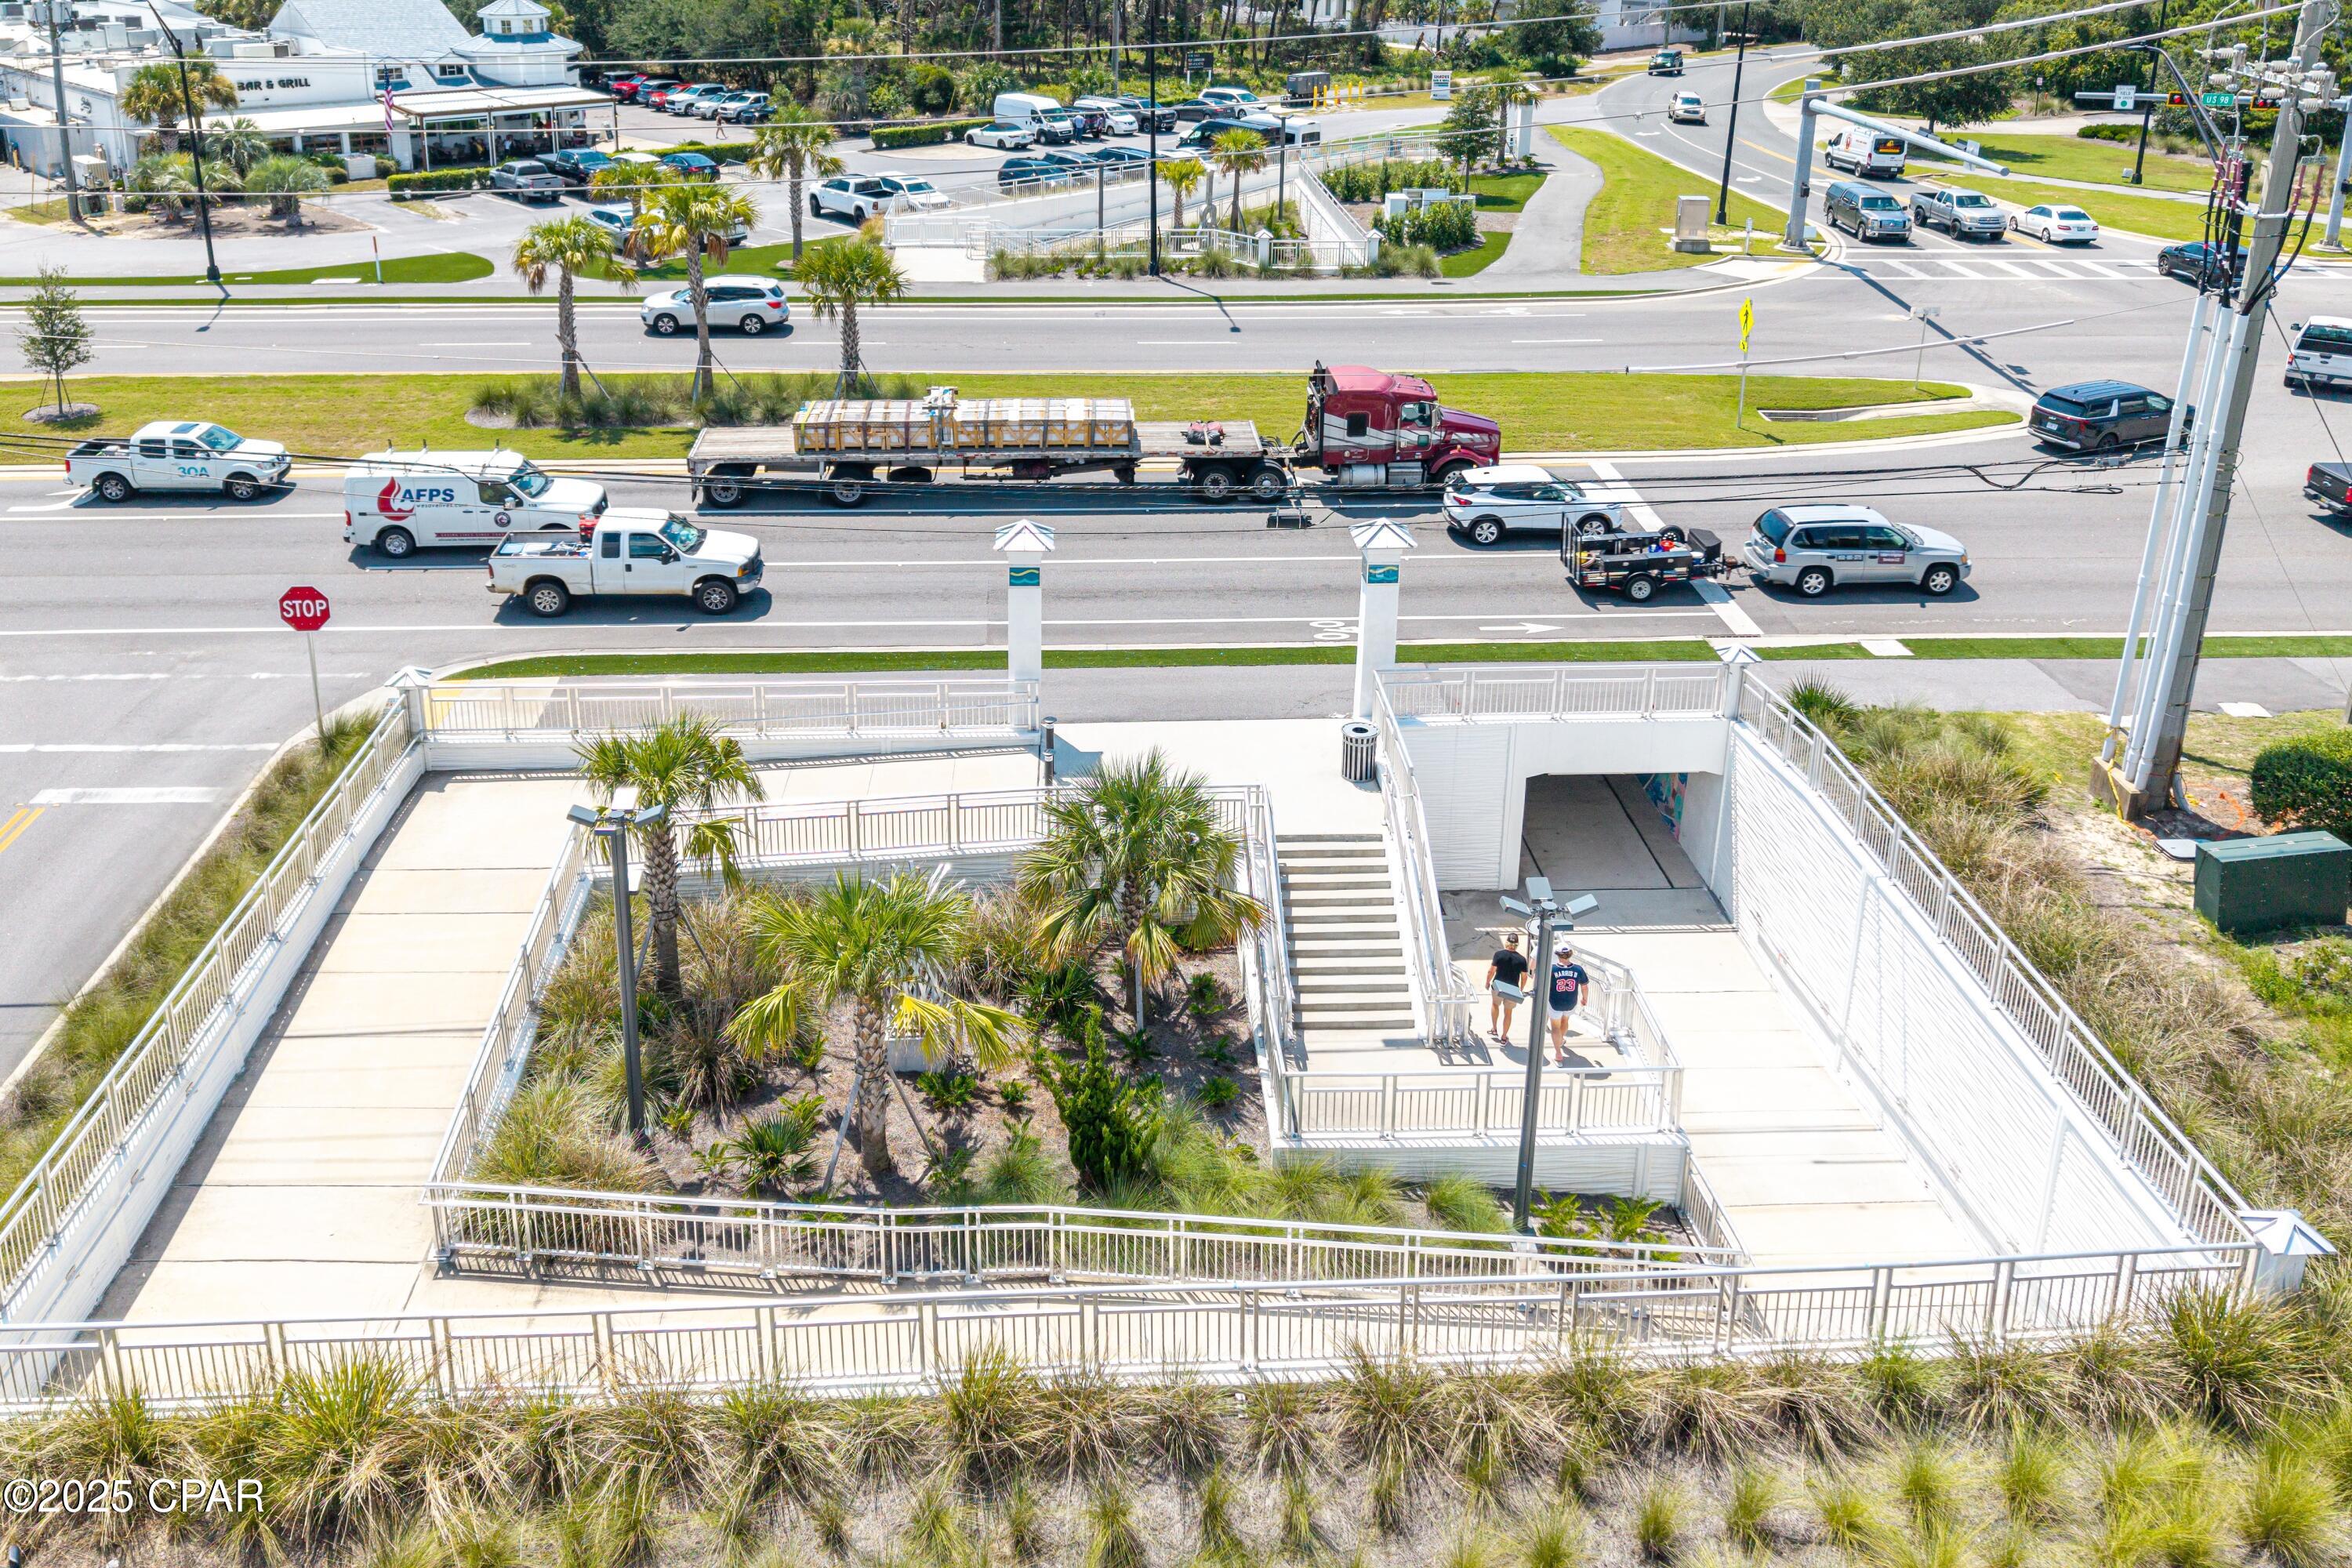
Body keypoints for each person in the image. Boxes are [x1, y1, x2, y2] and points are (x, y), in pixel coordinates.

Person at [1548, 940, 1590, 1064]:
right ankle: (1561, 1040)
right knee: (1565, 1021)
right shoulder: (1578, 969)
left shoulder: (1552, 969)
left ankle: (1558, 1053)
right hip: (1571, 1002)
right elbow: (1584, 986)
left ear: (1557, 954)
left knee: (1555, 1026)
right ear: (1570, 954)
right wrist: (1584, 998)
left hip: (1555, 1002)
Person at [1486, 931, 1529, 1040]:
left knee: (1495, 1005)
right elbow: (1524, 977)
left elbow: (1491, 971)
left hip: (1498, 986)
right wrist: (1521, 989)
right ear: (1517, 945)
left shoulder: (1498, 955)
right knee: (1508, 1012)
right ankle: (1504, 1037)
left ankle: (1494, 1029)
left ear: (1506, 943)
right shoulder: (1522, 959)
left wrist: (1487, 982)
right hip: (1513, 989)